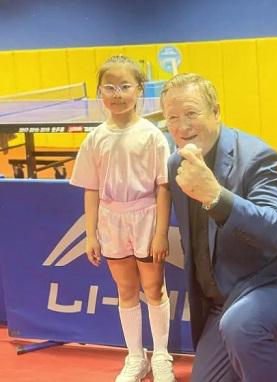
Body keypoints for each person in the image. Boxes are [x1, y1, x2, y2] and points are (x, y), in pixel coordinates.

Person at [161, 73, 277, 382]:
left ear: (217, 112)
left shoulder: (258, 157)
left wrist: (217, 197)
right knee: (237, 327)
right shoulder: (176, 165)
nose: (182, 127)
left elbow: (276, 232)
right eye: (172, 117)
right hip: (226, 300)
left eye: (191, 113)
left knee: (245, 325)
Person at [70, 55, 176, 382]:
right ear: (100, 93)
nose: (117, 94)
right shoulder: (95, 138)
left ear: (139, 90)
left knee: (154, 287)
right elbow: (90, 189)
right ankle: (135, 357)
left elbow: (163, 186)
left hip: (145, 217)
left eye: (125, 86)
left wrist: (160, 232)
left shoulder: (153, 136)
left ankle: (161, 355)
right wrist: (91, 234)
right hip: (111, 220)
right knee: (126, 290)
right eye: (109, 87)